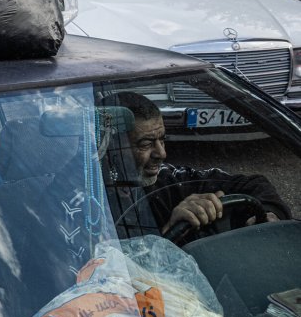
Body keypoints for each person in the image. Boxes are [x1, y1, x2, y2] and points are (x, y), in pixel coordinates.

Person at [113, 91, 287, 235]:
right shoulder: (93, 206)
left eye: (162, 140)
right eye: (146, 144)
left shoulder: (168, 180)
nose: (162, 153)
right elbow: (111, 270)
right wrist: (170, 230)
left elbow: (253, 184)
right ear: (111, 146)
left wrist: (269, 213)